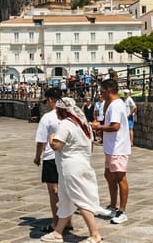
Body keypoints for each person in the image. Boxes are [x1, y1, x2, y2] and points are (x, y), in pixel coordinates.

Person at [40, 97, 105, 243]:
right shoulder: (84, 125)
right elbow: (91, 145)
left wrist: (51, 138)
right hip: (82, 163)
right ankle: (58, 232)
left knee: (80, 198)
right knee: (66, 199)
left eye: (58, 110)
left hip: (71, 166)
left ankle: (95, 234)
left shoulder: (65, 124)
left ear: (62, 111)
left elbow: (56, 146)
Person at [33, 88, 72, 233]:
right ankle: (68, 221)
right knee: (66, 190)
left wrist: (37, 157)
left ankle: (56, 222)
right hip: (67, 156)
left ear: (50, 99)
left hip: (50, 156)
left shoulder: (48, 117)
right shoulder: (69, 114)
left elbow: (40, 141)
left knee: (53, 191)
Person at [92, 79, 130, 224]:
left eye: (102, 91)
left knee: (120, 178)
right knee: (109, 175)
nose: (100, 94)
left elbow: (115, 126)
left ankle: (122, 210)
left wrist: (99, 127)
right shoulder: (112, 104)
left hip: (118, 148)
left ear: (108, 91)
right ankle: (113, 205)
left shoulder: (115, 106)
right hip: (111, 148)